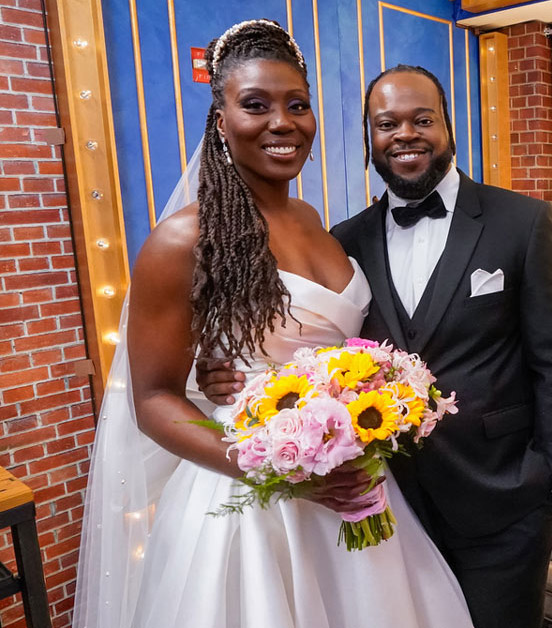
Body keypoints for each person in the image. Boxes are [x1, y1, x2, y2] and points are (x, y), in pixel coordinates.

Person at [72, 20, 474, 628]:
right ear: (221, 118)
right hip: (256, 498)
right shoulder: (184, 238)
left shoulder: (315, 220)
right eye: (255, 105)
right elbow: (152, 400)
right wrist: (276, 468)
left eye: (298, 105)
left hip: (353, 476)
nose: (282, 123)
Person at [199, 65, 552, 628]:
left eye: (421, 119)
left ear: (449, 128)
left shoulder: (522, 223)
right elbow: (316, 347)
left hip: (503, 497)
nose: (405, 134)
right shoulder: (343, 240)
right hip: (389, 502)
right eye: (387, 124)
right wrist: (225, 371)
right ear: (370, 140)